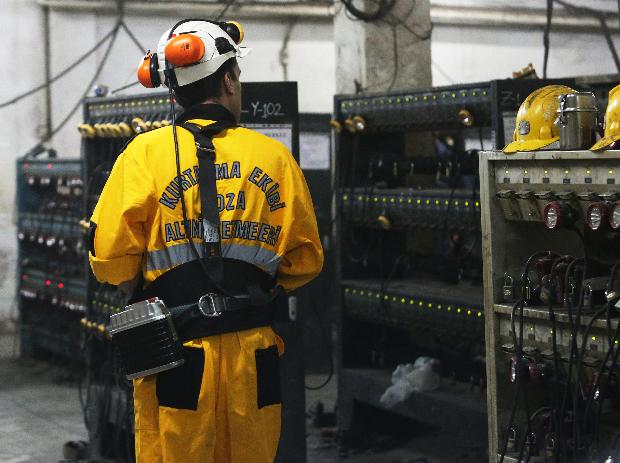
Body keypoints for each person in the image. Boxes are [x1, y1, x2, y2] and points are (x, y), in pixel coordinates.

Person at [88, 19, 323, 463]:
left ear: (172, 91)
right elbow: (305, 261)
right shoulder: (274, 159)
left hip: (174, 354)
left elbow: (111, 262)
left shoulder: (143, 155)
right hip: (253, 360)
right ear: (230, 78)